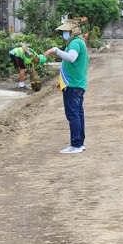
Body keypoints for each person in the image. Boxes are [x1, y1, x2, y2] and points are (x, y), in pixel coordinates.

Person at [44, 19, 89, 154]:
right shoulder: (79, 42)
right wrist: (62, 81)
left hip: (73, 85)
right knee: (78, 114)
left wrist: (55, 50)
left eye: (66, 32)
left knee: (73, 114)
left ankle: (76, 144)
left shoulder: (75, 43)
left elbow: (71, 58)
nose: (64, 34)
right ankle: (79, 142)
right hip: (76, 84)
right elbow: (71, 65)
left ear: (72, 32)